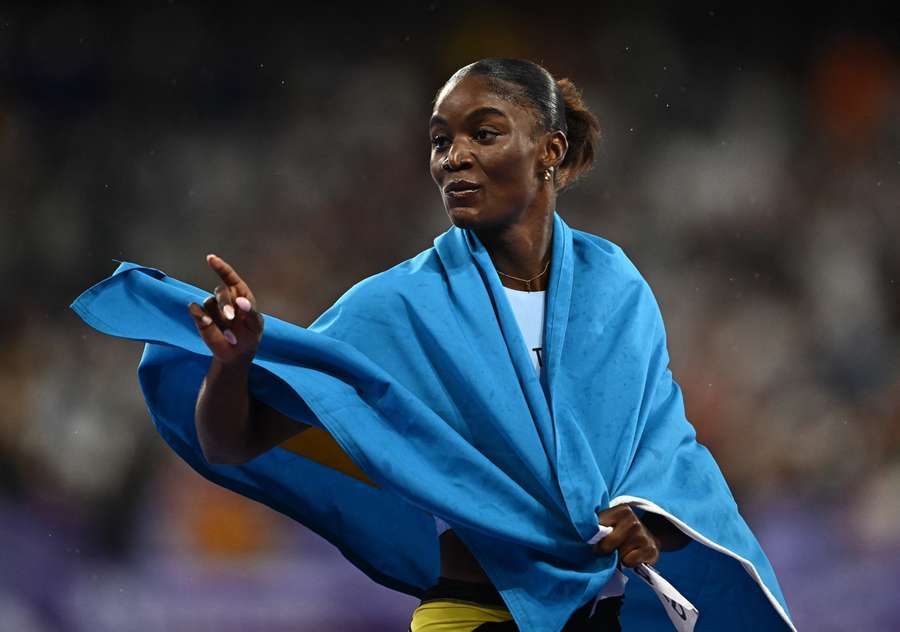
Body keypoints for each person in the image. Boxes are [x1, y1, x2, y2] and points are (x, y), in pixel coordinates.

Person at [73, 58, 793, 631]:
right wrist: (231, 367)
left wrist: (648, 524)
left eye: (483, 133)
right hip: (468, 614)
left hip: (603, 616)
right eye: (441, 141)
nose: (453, 157)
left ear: (550, 149)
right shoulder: (395, 307)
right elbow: (233, 443)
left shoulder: (616, 288)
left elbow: (660, 459)